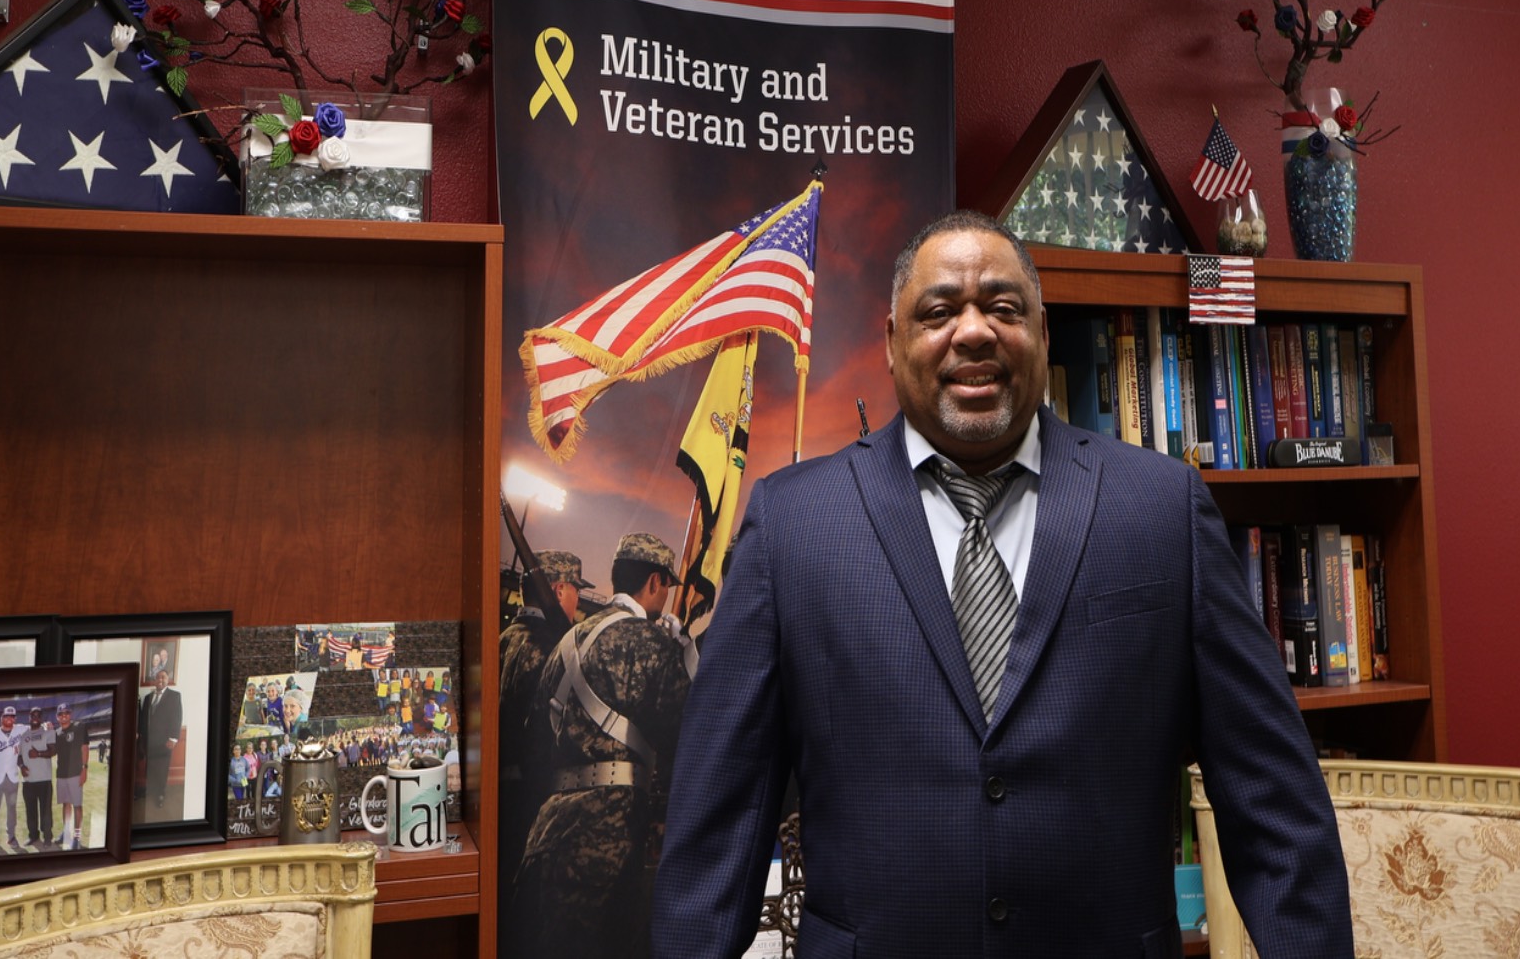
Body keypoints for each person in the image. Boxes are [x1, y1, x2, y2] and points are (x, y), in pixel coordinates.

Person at [652, 211, 1353, 959]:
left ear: (1042, 333)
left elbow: (1274, 808)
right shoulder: (791, 524)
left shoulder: (1162, 510)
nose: (974, 331)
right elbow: (717, 830)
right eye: (938, 311)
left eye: (1002, 307)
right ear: (890, 343)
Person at [511, 534, 694, 959]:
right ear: (654, 583)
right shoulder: (650, 643)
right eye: (666, 587)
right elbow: (682, 736)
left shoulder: (566, 642)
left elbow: (535, 740)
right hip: (611, 840)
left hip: (549, 827)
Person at [496, 548, 594, 918]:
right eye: (575, 590)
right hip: (534, 798)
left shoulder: (502, 637)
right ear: (558, 590)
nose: (578, 600)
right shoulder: (556, 647)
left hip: (493, 798)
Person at [137, 667, 183, 816]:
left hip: (165, 742)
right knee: (150, 768)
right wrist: (140, 735)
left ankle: (160, 795)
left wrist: (174, 738)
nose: (160, 680)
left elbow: (177, 717)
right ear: (155, 680)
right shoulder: (148, 697)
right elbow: (143, 718)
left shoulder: (174, 696)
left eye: (163, 677)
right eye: (158, 677)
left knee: (161, 769)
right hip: (149, 741)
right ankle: (151, 791)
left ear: (167, 680)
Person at [0, 705, 25, 850]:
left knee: (11, 809)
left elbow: (35, 727)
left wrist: (46, 725)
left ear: (15, 718)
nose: (9, 719)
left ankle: (11, 837)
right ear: (2, 718)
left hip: (12, 777)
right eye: (6, 716)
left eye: (12, 716)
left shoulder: (20, 729)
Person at [52, 702, 89, 849]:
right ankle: (66, 833)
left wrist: (84, 769)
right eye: (61, 714)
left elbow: (85, 748)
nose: (64, 716)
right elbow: (52, 750)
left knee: (77, 805)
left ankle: (77, 837)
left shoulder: (79, 727)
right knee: (66, 804)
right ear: (57, 717)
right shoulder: (56, 732)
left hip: (75, 773)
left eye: (66, 713)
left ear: (71, 714)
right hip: (61, 774)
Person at [19, 705, 56, 847]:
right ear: (29, 717)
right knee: (30, 810)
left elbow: (53, 751)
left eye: (38, 715)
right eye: (32, 715)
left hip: (44, 779)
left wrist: (39, 754)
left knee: (46, 811)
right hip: (28, 781)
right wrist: (22, 766)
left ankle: (47, 836)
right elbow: (19, 756)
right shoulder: (24, 736)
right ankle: (33, 836)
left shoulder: (48, 733)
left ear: (41, 718)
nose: (35, 718)